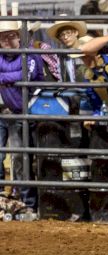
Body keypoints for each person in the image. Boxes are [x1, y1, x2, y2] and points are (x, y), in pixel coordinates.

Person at [0, 20, 44, 213]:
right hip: (5, 111)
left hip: (24, 113)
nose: (8, 40)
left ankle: (27, 204)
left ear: (18, 36)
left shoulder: (31, 55)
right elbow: (20, 75)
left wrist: (3, 78)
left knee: (20, 158)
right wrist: (13, 77)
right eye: (3, 37)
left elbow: (26, 74)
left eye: (11, 35)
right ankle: (2, 198)